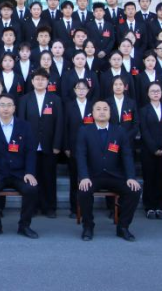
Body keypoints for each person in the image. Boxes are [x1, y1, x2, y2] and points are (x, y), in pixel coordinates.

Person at [77, 100, 142, 242]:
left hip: (114, 175)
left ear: (110, 113)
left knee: (134, 190)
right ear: (92, 113)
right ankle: (88, 226)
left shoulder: (119, 131)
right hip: (93, 176)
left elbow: (126, 155)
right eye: (98, 109)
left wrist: (131, 177)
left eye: (105, 109)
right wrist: (84, 176)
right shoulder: (84, 131)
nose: (102, 112)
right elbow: (81, 155)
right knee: (84, 191)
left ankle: (123, 227)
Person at [0, 94, 40, 240]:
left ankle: (24, 226)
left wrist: (29, 172)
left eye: (9, 105)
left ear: (14, 108)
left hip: (19, 173)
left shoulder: (25, 126)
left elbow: (30, 152)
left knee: (31, 188)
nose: (5, 108)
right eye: (2, 105)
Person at [18, 69, 64, 219]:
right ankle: (32, 207)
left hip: (49, 145)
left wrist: (57, 145)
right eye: (37, 79)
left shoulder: (55, 99)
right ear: (32, 82)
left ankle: (49, 207)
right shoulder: (25, 99)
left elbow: (59, 123)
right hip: (29, 146)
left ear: (47, 82)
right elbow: (21, 124)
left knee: (49, 177)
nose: (40, 81)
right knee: (31, 177)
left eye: (43, 79)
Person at [139, 82, 162, 220]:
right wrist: (154, 148)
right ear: (148, 94)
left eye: (158, 91)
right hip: (148, 150)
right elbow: (144, 131)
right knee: (149, 179)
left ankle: (160, 206)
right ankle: (149, 206)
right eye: (152, 91)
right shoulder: (143, 110)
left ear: (161, 93)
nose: (155, 93)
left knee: (161, 179)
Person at [64, 79, 95, 219]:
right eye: (78, 88)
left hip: (91, 148)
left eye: (84, 88)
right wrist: (66, 147)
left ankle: (87, 208)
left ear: (88, 90)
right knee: (74, 179)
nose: (81, 91)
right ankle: (74, 208)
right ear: (74, 90)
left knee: (89, 178)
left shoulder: (93, 106)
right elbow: (64, 127)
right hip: (73, 147)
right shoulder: (68, 106)